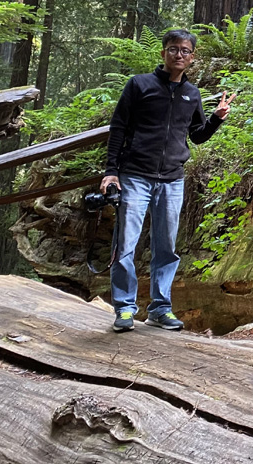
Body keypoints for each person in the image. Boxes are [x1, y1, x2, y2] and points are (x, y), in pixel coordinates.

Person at [99, 29, 235, 332]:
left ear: (192, 57)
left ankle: (160, 309)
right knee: (125, 244)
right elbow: (118, 128)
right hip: (135, 176)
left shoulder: (192, 94)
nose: (179, 55)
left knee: (166, 247)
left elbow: (197, 136)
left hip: (172, 180)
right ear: (163, 53)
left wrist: (216, 118)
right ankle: (124, 309)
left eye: (185, 50)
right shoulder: (139, 85)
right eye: (173, 49)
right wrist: (111, 171)